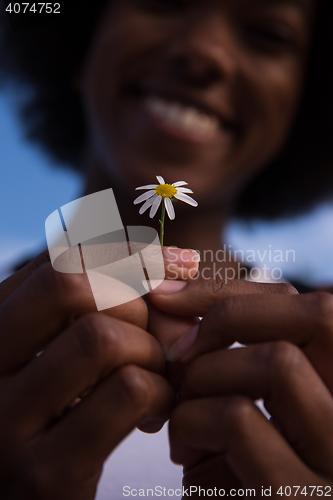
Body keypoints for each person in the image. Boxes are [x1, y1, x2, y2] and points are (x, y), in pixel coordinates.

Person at [0, 0, 333, 497]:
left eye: (268, 35)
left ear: (303, 105)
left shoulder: (323, 359)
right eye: (164, 2)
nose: (205, 51)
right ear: (79, 44)